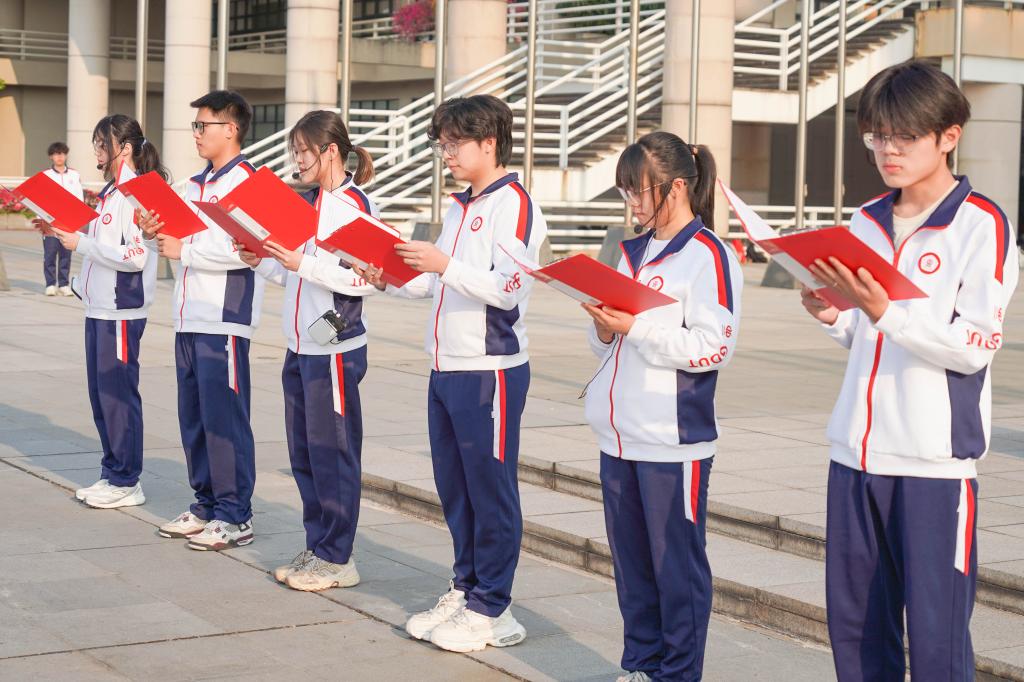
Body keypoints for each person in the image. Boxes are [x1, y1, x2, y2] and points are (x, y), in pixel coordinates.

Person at [799, 59, 1019, 680]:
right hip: (854, 457)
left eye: (904, 136)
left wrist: (884, 311)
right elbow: (869, 335)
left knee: (936, 640)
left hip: (932, 467)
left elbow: (974, 345)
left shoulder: (981, 225)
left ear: (949, 136)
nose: (888, 150)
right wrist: (836, 316)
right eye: (877, 136)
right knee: (857, 634)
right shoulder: (866, 219)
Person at [358, 94, 547, 653]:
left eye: (454, 143)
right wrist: (387, 276)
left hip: (490, 369)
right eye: (441, 144)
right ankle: (467, 589)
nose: (446, 154)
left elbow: (509, 289)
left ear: (489, 142)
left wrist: (445, 264)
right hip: (446, 366)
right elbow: (433, 281)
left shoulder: (515, 204)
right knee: (456, 490)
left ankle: (494, 607)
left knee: (490, 490)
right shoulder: (460, 206)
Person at [582, 132, 741, 682]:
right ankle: (641, 666)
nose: (631, 202)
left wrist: (637, 328)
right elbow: (610, 344)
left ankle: (677, 673)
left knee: (677, 571)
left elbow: (714, 347)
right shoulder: (633, 252)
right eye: (625, 190)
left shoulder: (709, 255)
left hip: (673, 442)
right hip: (618, 436)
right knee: (632, 570)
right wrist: (605, 330)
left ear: (676, 188)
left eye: (638, 190)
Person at [239, 110, 378, 592]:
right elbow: (294, 274)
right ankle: (318, 546)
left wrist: (303, 263)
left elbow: (364, 280)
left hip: (334, 346)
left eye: (303, 151)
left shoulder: (355, 206)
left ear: (330, 151)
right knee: (305, 453)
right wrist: (262, 261)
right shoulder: (311, 203)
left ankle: (339, 558)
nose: (296, 160)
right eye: (293, 151)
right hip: (301, 344)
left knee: (333, 453)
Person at [139, 90, 264, 551]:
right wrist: (154, 233)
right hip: (188, 316)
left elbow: (248, 250)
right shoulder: (193, 185)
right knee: (193, 417)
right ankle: (206, 504)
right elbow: (176, 240)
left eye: (202, 125)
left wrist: (184, 250)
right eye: (195, 125)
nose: (195, 134)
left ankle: (235, 515)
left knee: (224, 419)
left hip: (224, 319)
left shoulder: (249, 183)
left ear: (230, 129)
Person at [37, 116, 165, 509]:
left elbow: (136, 256)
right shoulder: (112, 192)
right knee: (101, 397)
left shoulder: (137, 192)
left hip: (122, 312)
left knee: (118, 398)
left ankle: (127, 480)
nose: (96, 150)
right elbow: (100, 244)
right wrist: (63, 232)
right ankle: (112, 473)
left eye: (101, 143)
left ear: (123, 147)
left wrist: (81, 244)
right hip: (99, 309)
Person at [42, 141, 83, 296]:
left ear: (66, 155)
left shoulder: (74, 175)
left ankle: (64, 284)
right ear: (51, 157)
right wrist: (42, 219)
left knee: (66, 253)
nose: (59, 157)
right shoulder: (46, 175)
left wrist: (78, 219)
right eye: (56, 154)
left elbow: (79, 197)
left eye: (62, 154)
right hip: (50, 221)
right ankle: (50, 284)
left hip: (68, 221)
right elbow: (40, 198)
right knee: (50, 254)